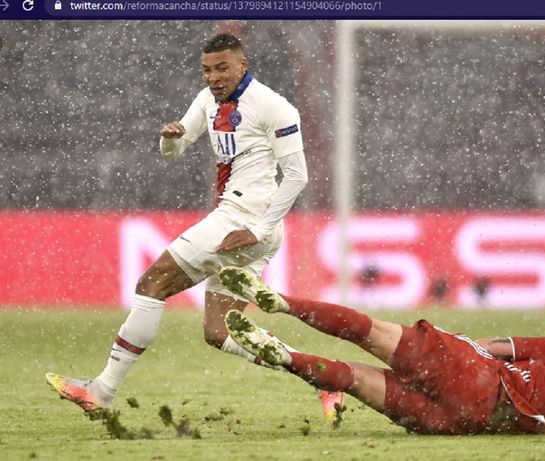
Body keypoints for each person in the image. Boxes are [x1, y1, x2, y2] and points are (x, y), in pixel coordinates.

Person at [46, 32, 343, 418]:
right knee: (219, 333)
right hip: (245, 224)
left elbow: (297, 176)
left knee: (151, 284)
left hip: (245, 219)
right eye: (207, 70)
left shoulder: (273, 106)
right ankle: (324, 377)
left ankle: (102, 390)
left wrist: (261, 228)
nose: (214, 77)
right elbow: (176, 149)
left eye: (222, 68)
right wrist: (170, 139)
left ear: (242, 65)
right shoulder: (207, 100)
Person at [217, 265, 545, 435]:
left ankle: (281, 302)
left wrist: (451, 343)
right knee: (354, 377)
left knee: (368, 330)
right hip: (460, 426)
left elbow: (493, 347)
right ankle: (285, 356)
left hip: (475, 378)